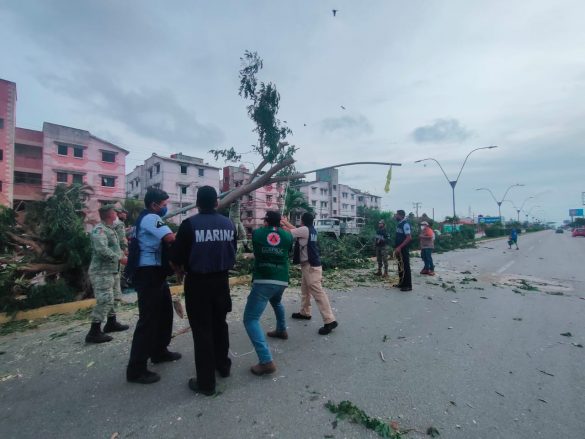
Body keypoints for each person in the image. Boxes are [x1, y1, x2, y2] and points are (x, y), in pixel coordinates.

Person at [170, 186, 237, 396]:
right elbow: (233, 250)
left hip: (198, 283)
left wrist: (179, 271)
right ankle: (223, 366)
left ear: (197, 203)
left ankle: (206, 383)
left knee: (202, 331)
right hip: (222, 281)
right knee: (220, 324)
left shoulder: (189, 225)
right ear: (216, 203)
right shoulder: (229, 224)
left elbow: (176, 257)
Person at [126, 188, 181, 385]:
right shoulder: (151, 217)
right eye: (164, 205)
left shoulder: (144, 218)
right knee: (148, 320)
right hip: (148, 273)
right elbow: (170, 239)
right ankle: (136, 369)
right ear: (154, 205)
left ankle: (159, 351)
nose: (166, 208)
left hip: (155, 272)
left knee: (165, 312)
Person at [243, 210, 293, 376]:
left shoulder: (258, 233)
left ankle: (266, 361)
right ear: (280, 222)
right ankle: (281, 330)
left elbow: (257, 247)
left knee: (250, 319)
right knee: (276, 302)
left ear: (265, 221)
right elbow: (287, 249)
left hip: (264, 279)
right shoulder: (287, 236)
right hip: (282, 280)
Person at [281, 213, 339, 335]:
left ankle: (330, 320)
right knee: (305, 291)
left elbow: (289, 232)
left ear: (302, 221)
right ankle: (305, 312)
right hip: (309, 266)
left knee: (318, 294)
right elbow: (295, 230)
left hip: (310, 266)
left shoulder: (305, 230)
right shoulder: (311, 229)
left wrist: (282, 224)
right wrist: (285, 222)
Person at [85, 205, 129, 344]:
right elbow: (101, 249)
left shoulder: (110, 229)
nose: (117, 214)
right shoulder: (99, 230)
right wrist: (120, 258)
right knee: (105, 300)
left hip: (112, 270)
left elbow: (116, 247)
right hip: (101, 272)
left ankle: (111, 323)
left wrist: (123, 255)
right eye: (115, 212)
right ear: (111, 214)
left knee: (115, 298)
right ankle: (94, 332)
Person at [393, 210, 412, 291]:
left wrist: (400, 247)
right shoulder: (399, 224)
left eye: (396, 215)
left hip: (403, 249)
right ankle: (401, 283)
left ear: (401, 215)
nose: (395, 216)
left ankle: (408, 285)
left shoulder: (405, 224)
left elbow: (409, 238)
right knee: (400, 266)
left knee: (405, 266)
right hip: (399, 249)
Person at [113, 208, 129, 297]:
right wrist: (125, 249)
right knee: (121, 270)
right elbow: (121, 238)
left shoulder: (114, 223)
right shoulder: (120, 223)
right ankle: (121, 290)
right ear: (119, 214)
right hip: (119, 250)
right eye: (124, 213)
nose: (125, 215)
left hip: (114, 250)